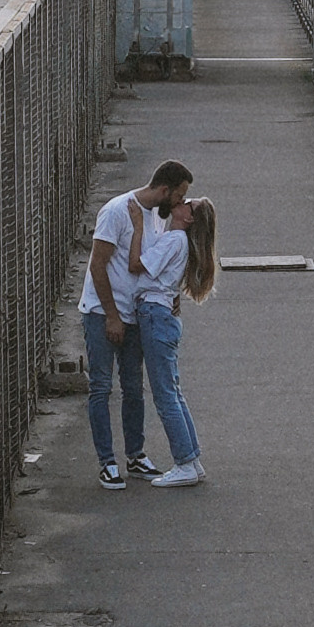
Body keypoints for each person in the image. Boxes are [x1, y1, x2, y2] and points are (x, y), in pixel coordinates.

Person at [78, 160, 192, 489]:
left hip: (135, 313)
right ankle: (107, 462)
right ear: (165, 190)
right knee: (101, 386)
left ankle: (135, 454)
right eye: (180, 195)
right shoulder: (117, 211)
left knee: (133, 387)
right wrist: (112, 315)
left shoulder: (157, 218)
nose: (182, 202)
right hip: (104, 311)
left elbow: (152, 262)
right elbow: (97, 266)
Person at [134, 195, 217, 488]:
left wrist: (135, 227)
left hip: (154, 313)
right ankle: (191, 458)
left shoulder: (174, 240)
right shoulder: (179, 240)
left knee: (165, 395)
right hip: (163, 314)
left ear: (189, 217)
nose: (183, 201)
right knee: (173, 391)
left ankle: (183, 462)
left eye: (189, 203)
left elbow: (139, 266)